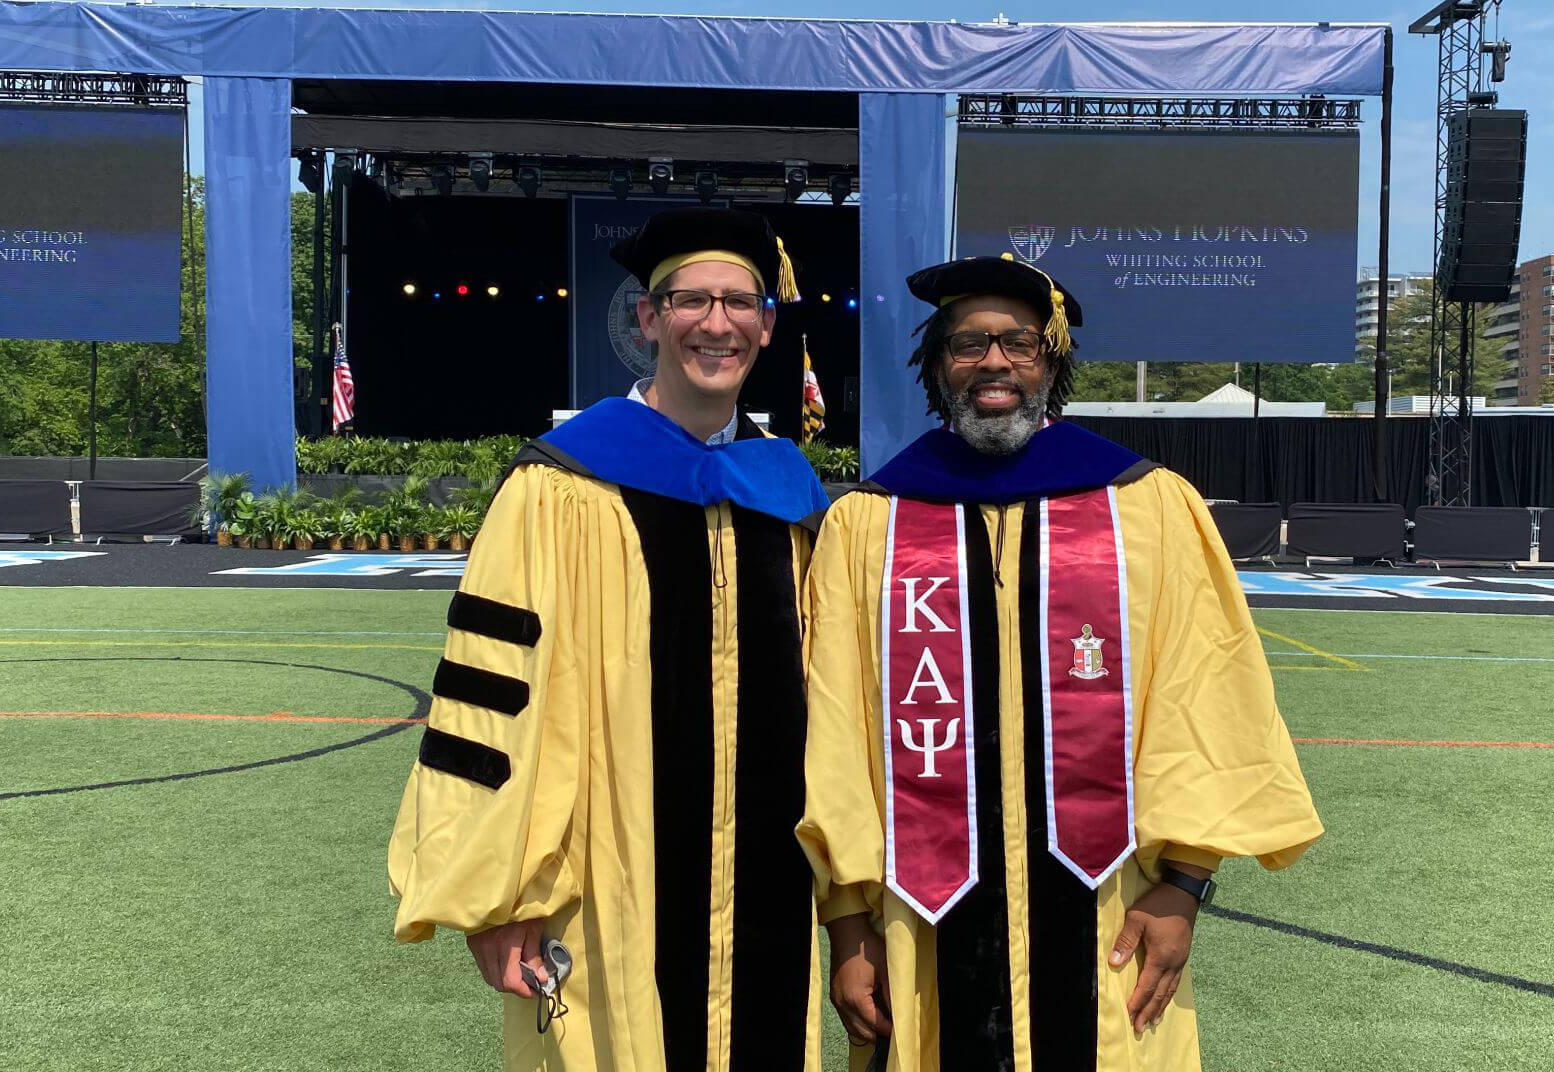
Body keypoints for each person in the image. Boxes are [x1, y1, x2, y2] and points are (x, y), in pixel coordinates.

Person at [797, 255, 1324, 1072]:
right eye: (969, 344)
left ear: (1053, 360)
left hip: (1112, 906)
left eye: (1020, 343)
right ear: (937, 366)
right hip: (920, 918)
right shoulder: (871, 525)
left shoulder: (1146, 507)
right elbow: (834, 727)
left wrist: (1184, 885)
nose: (995, 362)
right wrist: (847, 918)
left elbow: (1207, 697)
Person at [388, 207, 830, 1072]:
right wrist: (501, 891)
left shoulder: (791, 497)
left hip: (770, 885)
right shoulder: (560, 486)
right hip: (606, 879)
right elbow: (495, 695)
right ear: (648, 319)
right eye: (690, 301)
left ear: (766, 325)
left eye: (739, 302)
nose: (717, 323)